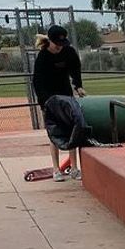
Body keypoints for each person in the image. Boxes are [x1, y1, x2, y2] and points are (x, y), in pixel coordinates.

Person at [32, 24, 85, 179]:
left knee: (71, 130)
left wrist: (78, 86)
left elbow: (76, 69)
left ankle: (74, 168)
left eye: (62, 44)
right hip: (49, 98)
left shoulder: (69, 52)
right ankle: (56, 169)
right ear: (50, 41)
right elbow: (37, 81)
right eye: (57, 44)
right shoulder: (43, 57)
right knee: (53, 133)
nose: (59, 48)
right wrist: (44, 102)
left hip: (65, 94)